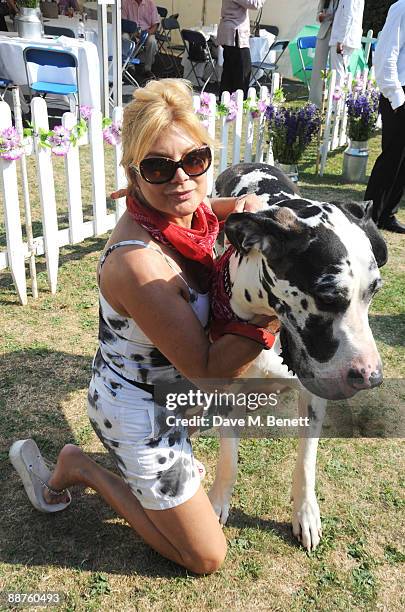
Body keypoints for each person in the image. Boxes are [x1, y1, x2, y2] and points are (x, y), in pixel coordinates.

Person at [9, 79, 276, 575]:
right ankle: (82, 467)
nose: (181, 180)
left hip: (167, 392)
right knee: (204, 557)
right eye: (158, 167)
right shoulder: (139, 266)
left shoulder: (182, 212)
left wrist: (243, 209)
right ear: (134, 174)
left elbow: (208, 210)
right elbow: (206, 371)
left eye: (194, 161)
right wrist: (272, 311)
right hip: (138, 410)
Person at [364, 0, 405, 233]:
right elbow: (386, 53)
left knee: (403, 161)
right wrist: (396, 96)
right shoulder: (401, 8)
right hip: (399, 92)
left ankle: (388, 213)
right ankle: (369, 216)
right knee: (391, 158)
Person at [217, 0, 265, 98]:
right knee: (242, 72)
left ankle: (225, 103)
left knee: (229, 71)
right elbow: (255, 4)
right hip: (235, 33)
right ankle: (238, 103)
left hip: (231, 32)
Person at [309, 0, 340, 108]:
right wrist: (321, 16)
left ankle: (333, 103)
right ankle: (314, 103)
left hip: (337, 36)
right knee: (318, 68)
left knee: (335, 69)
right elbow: (318, 16)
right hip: (324, 33)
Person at [329, 0, 364, 90]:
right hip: (348, 39)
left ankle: (336, 102)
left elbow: (349, 17)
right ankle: (338, 101)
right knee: (341, 74)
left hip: (343, 40)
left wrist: (340, 40)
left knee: (338, 74)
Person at [121, 0, 160, 79]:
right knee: (124, 37)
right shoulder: (126, 2)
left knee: (152, 41)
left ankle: (147, 69)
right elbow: (123, 22)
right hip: (131, 32)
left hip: (147, 32)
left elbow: (155, 25)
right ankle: (130, 67)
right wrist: (133, 33)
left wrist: (146, 34)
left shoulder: (150, 3)